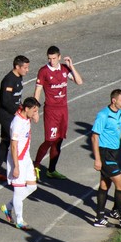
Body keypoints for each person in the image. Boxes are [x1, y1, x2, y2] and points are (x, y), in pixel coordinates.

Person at [33, 46, 83, 180]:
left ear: (59, 57)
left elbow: (79, 81)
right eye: (49, 58)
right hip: (51, 110)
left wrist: (72, 66)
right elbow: (37, 91)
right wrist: (35, 110)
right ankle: (35, 167)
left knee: (59, 140)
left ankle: (51, 170)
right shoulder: (43, 71)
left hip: (63, 110)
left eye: (54, 58)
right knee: (49, 140)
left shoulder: (64, 69)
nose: (52, 61)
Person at [91, 89, 121, 229]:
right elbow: (95, 137)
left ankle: (99, 218)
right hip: (105, 153)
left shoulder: (119, 114)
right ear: (114, 100)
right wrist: (97, 159)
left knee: (105, 185)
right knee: (120, 184)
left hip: (114, 153)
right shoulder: (103, 115)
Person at [0, 97, 41, 230]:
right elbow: (13, 146)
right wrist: (16, 167)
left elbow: (29, 112)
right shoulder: (17, 123)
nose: (35, 113)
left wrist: (35, 115)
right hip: (17, 159)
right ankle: (19, 220)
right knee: (18, 191)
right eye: (34, 111)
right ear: (27, 109)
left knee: (32, 186)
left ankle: (8, 207)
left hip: (26, 158)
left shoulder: (25, 115)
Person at [0, 55, 30, 182]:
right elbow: (6, 101)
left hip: (13, 114)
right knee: (15, 141)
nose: (27, 70)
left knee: (5, 141)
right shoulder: (9, 80)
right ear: (17, 67)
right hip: (6, 115)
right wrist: (19, 112)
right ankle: (17, 169)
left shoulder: (19, 77)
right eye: (25, 67)